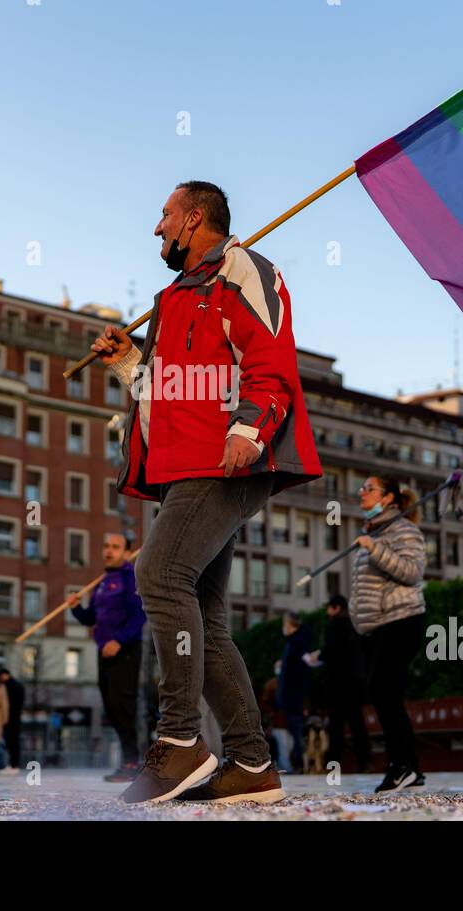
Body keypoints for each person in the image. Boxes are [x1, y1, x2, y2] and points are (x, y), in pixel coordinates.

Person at [91, 180, 322, 804]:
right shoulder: (171, 299)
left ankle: (181, 740)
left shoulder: (245, 269)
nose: (156, 228)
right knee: (209, 622)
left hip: (223, 463)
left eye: (165, 216)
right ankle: (249, 764)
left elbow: (271, 358)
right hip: (178, 472)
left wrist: (250, 428)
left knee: (159, 576)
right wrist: (125, 363)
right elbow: (162, 391)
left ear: (194, 219)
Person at [350, 475, 427, 792]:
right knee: (385, 693)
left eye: (370, 489)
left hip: (402, 619)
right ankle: (411, 769)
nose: (362, 492)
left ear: (389, 499)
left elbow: (412, 572)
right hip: (378, 627)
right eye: (362, 488)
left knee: (382, 689)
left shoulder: (404, 530)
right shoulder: (376, 532)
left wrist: (376, 549)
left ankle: (402, 766)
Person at [68, 532, 147, 782]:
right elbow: (91, 618)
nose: (108, 550)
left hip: (125, 652)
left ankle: (133, 762)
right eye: (106, 545)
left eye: (115, 546)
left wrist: (119, 641)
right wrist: (75, 609)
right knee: (112, 709)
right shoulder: (101, 582)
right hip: (103, 652)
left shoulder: (130, 578)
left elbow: (139, 617)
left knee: (125, 707)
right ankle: (127, 762)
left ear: (126, 552)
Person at [313, 594, 372, 773]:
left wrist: (318, 656)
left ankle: (334, 766)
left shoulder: (333, 626)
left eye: (329, 607)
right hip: (354, 684)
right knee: (357, 725)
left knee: (336, 726)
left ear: (336, 608)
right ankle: (365, 762)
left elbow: (331, 652)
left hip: (337, 685)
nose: (327, 611)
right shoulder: (355, 627)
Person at [275, 613, 312, 773]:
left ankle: (299, 764)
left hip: (293, 694)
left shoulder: (297, 643)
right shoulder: (296, 642)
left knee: (296, 730)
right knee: (294, 729)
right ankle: (298, 763)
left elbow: (298, 671)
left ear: (291, 625)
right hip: (292, 694)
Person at [0, 668, 25, 775]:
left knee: (10, 741)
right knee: (14, 741)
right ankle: (14, 765)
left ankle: (13, 765)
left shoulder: (6, 686)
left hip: (9, 718)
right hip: (16, 717)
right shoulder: (19, 685)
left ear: (4, 675)